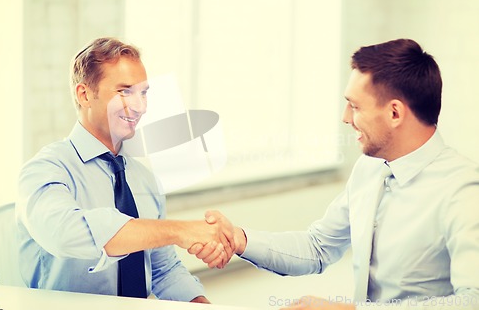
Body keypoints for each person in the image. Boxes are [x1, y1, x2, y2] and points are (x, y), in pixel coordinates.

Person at [191, 39, 479, 309]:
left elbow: (472, 300)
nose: (345, 117)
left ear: (395, 113)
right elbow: (317, 247)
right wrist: (240, 239)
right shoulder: (371, 168)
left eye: (354, 106)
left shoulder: (464, 190)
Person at [16, 37, 231, 303]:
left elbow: (163, 270)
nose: (140, 107)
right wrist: (180, 230)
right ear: (85, 95)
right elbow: (65, 233)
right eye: (124, 91)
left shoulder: (144, 180)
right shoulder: (46, 169)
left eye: (143, 92)